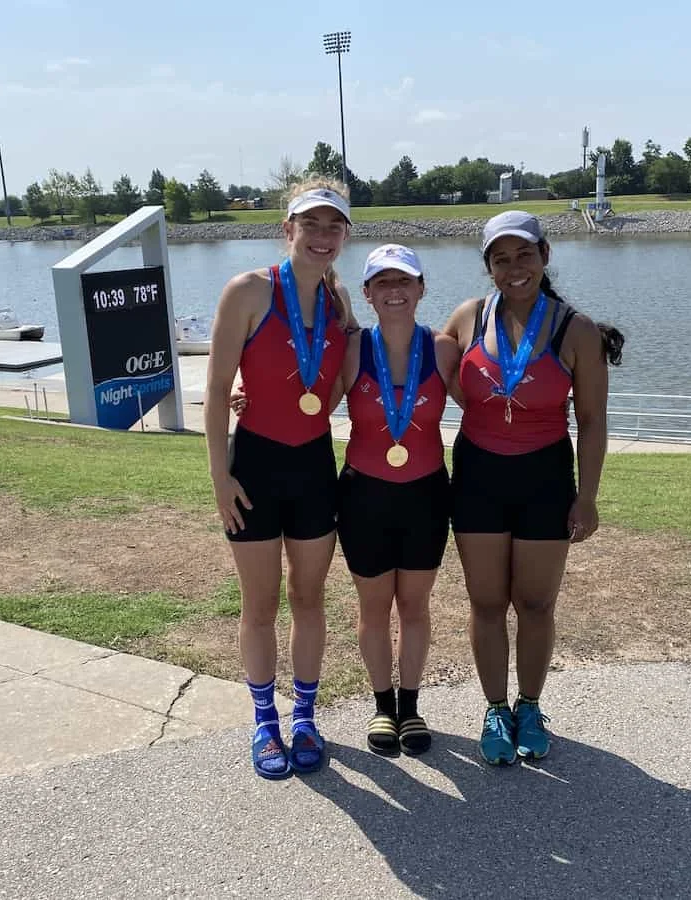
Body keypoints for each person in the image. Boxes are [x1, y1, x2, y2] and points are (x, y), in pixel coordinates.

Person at [442, 210, 623, 766]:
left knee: (537, 603)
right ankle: (495, 708)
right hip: (477, 475)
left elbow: (592, 421)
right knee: (487, 602)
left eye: (524, 255)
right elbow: (425, 366)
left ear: (545, 257)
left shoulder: (577, 330)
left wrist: (586, 496)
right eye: (501, 258)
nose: (514, 267)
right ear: (488, 267)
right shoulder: (468, 318)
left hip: (546, 477)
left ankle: (530, 704)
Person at [205, 178, 356, 780]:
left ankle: (305, 718)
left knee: (308, 598)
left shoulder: (341, 307)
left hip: (314, 467)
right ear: (287, 228)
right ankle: (265, 720)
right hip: (254, 470)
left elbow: (340, 386)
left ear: (345, 235)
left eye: (333, 226)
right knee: (261, 603)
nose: (322, 235)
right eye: (310, 223)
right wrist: (219, 477)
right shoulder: (247, 291)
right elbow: (216, 392)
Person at [335, 244, 459, 757]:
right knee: (374, 608)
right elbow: (305, 401)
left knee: (414, 606)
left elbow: (486, 403)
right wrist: (245, 397)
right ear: (367, 293)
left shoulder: (444, 348)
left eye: (403, 280)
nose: (394, 290)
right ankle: (382, 705)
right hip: (364, 495)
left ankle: (410, 707)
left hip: (427, 496)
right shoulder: (349, 349)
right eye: (382, 282)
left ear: (421, 288)